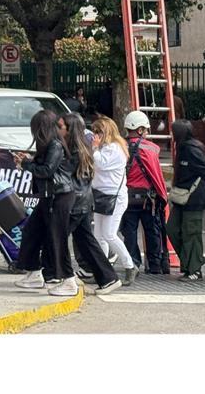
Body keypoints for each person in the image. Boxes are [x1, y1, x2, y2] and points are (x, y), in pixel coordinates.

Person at [13, 110, 76, 291]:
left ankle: (68, 279)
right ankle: (34, 272)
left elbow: (47, 170)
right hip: (49, 196)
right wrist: (29, 162)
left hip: (59, 196)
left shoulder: (54, 145)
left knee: (57, 239)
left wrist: (26, 164)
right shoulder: (50, 145)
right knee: (31, 232)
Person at [61, 113, 121, 295]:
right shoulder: (82, 146)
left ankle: (63, 277)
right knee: (86, 241)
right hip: (83, 201)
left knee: (58, 239)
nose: (58, 130)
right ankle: (108, 277)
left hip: (77, 202)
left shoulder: (80, 148)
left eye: (61, 126)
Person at [166, 120, 205, 282]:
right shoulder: (182, 147)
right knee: (172, 228)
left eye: (173, 131)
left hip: (194, 197)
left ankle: (194, 269)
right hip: (181, 196)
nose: (171, 135)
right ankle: (189, 262)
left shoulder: (191, 149)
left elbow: (204, 168)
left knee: (191, 233)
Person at [118, 111, 169, 275]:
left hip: (127, 198)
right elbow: (157, 175)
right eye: (146, 130)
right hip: (148, 199)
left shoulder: (119, 147)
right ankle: (154, 265)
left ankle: (133, 263)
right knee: (152, 231)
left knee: (129, 232)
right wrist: (163, 197)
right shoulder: (151, 148)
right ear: (140, 130)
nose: (147, 133)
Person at [91, 117, 137, 285]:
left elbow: (102, 164)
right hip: (101, 195)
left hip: (114, 198)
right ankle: (102, 270)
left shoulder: (115, 149)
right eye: (94, 131)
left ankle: (130, 266)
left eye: (99, 132)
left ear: (107, 132)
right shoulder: (105, 147)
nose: (96, 135)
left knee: (109, 234)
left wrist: (94, 149)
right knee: (99, 236)